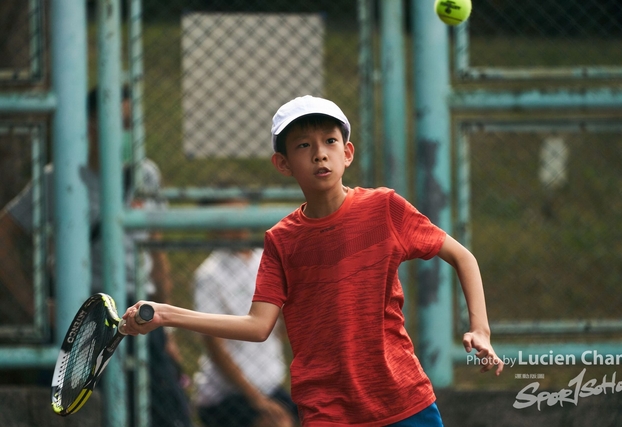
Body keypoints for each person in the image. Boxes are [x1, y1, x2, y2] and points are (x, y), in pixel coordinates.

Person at [122, 95, 504, 427]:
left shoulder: (384, 208)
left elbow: (462, 256)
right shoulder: (281, 241)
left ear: (347, 153)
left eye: (330, 141)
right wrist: (166, 314)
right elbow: (258, 325)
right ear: (283, 163)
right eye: (303, 145)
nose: (320, 153)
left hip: (404, 400)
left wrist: (480, 330)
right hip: (328, 412)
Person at [0, 87, 193, 427]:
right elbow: (6, 233)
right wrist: (35, 307)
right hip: (85, 311)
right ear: (91, 125)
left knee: (165, 413)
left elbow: (156, 251)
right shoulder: (60, 179)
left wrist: (169, 330)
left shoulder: (145, 175)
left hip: (141, 309)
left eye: (131, 124)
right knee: (79, 412)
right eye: (119, 123)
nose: (126, 133)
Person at [192, 216, 297, 427]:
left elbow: (282, 330)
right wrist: (257, 401)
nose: (237, 225)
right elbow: (215, 347)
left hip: (270, 386)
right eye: (229, 217)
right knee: (277, 423)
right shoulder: (210, 274)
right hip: (227, 394)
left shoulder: (266, 260)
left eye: (241, 213)